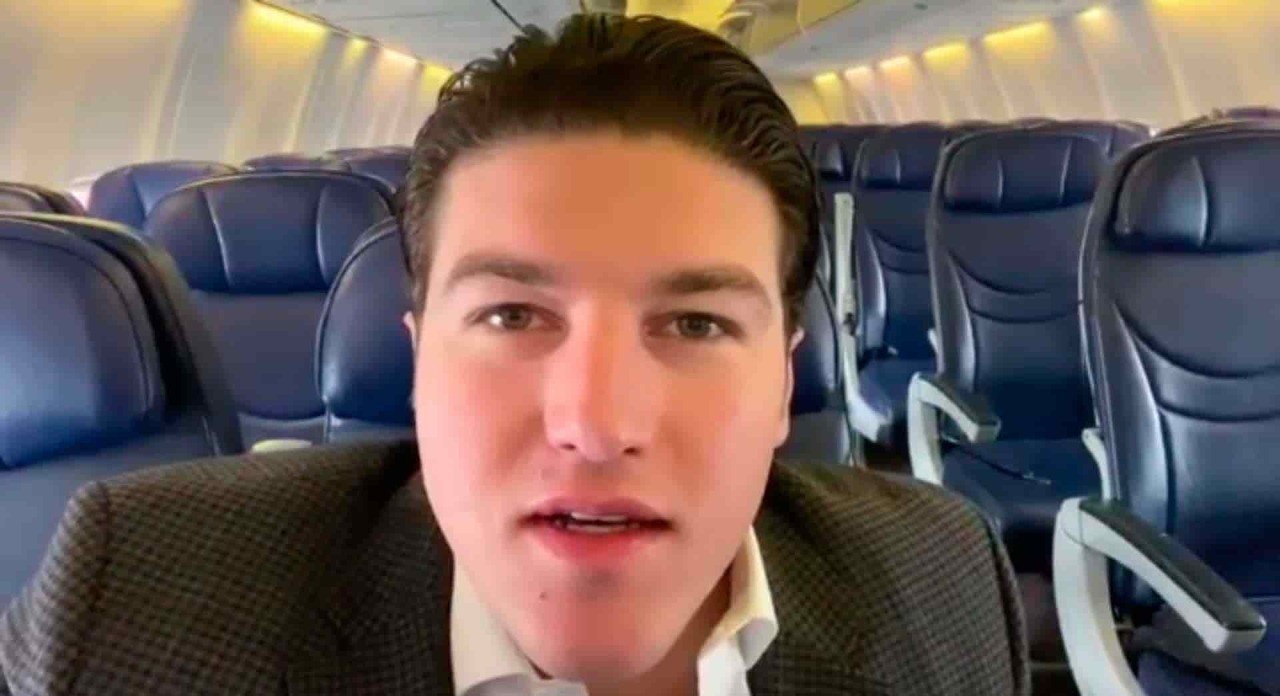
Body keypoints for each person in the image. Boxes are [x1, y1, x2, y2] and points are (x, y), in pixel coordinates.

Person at [0, 14, 1027, 696]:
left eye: (696, 324)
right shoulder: (142, 603)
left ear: (783, 383)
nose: (596, 426)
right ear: (417, 365)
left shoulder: (938, 583)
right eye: (510, 316)